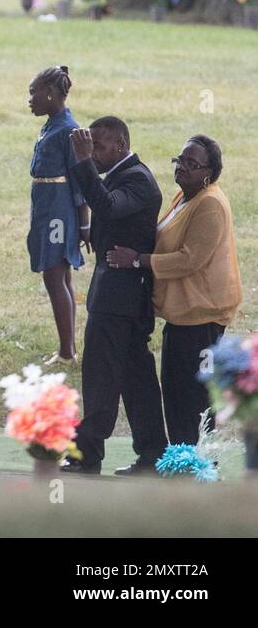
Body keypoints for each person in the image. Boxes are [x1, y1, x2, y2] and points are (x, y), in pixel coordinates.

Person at [107, 136, 241, 445]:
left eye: (191, 164)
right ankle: (182, 462)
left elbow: (189, 260)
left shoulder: (210, 203)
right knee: (177, 394)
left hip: (202, 318)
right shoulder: (185, 196)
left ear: (209, 172)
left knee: (192, 399)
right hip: (182, 317)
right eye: (179, 160)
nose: (182, 167)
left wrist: (137, 261)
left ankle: (197, 466)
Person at [62, 117, 168, 476]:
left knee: (102, 376)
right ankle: (153, 453)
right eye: (89, 145)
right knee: (135, 379)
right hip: (119, 296)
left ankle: (87, 454)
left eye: (98, 146)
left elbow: (107, 205)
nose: (92, 153)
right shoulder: (125, 175)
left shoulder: (137, 179)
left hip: (121, 299)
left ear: (121, 145)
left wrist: (81, 161)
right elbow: (107, 208)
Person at [26, 66, 91, 363]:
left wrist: (84, 224)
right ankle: (69, 349)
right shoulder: (52, 124)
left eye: (33, 93)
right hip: (47, 207)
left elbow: (80, 180)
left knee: (55, 276)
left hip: (58, 213)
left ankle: (67, 351)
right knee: (60, 276)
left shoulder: (67, 130)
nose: (29, 100)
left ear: (50, 94)